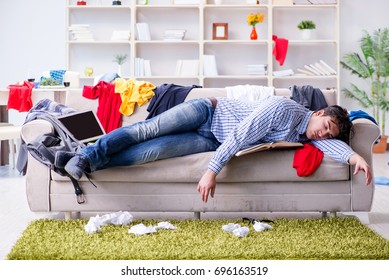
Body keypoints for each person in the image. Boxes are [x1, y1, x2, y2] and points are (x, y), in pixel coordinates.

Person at [60, 95, 372, 203]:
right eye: (326, 126)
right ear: (319, 114)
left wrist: (356, 156)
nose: (323, 134)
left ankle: (82, 164)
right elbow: (240, 134)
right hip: (207, 113)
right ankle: (86, 154)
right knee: (146, 130)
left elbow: (331, 144)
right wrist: (212, 171)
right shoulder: (283, 108)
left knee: (149, 153)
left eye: (327, 134)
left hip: (210, 141)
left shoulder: (306, 136)